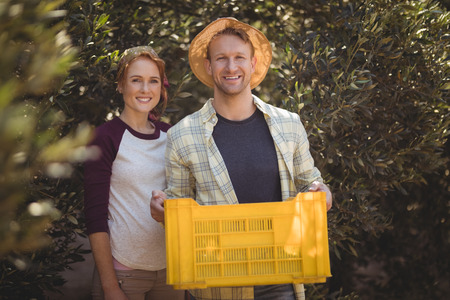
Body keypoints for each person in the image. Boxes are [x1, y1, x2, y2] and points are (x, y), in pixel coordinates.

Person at [151, 18, 332, 300]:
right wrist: (164, 212)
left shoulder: (289, 125)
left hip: (279, 280)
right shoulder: (183, 135)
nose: (231, 67)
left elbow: (311, 184)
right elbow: (178, 205)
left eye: (239, 57)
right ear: (209, 66)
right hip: (213, 283)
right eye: (221, 58)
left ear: (253, 63)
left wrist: (324, 194)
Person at [83, 46, 185, 300]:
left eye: (153, 81)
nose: (145, 89)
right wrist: (110, 287)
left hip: (170, 271)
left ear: (161, 88)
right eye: (135, 80)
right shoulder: (104, 138)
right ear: (120, 85)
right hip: (123, 272)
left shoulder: (170, 135)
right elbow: (95, 217)